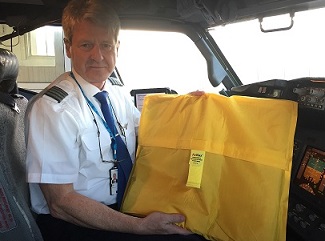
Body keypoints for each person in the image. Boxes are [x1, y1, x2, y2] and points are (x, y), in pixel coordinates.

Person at [25, 0, 206, 240]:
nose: (97, 56)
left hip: (122, 209)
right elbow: (61, 203)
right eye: (86, 45)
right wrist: (139, 226)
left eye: (106, 45)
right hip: (76, 225)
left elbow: (150, 134)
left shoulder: (116, 93)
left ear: (117, 48)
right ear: (68, 47)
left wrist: (187, 109)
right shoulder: (53, 109)